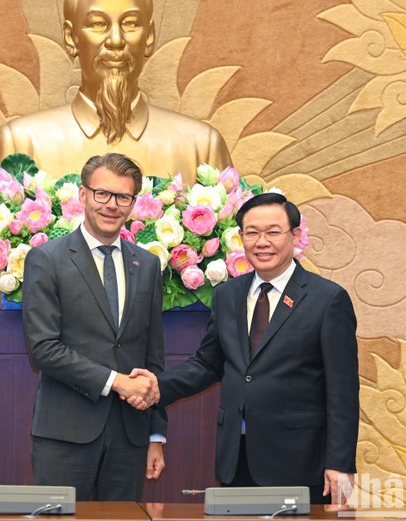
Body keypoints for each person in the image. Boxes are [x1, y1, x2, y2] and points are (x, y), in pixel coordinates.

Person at [149, 192, 359, 505]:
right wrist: (153, 387)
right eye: (252, 233)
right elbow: (208, 365)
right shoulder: (227, 295)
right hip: (237, 455)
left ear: (295, 236)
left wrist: (340, 463)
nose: (262, 242)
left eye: (273, 232)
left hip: (299, 460)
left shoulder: (327, 299)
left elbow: (342, 389)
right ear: (241, 237)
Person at [0, 0, 231, 183]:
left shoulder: (202, 147)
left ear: (149, 37)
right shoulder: (19, 144)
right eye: (98, 24)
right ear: (71, 38)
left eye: (131, 24)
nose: (116, 40)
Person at [22, 152, 167, 501]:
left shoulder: (146, 264)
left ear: (133, 204)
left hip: (130, 437)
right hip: (65, 432)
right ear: (83, 194)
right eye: (102, 194)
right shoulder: (47, 259)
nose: (111, 205)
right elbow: (43, 349)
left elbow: (153, 355)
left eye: (123, 197)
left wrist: (156, 436)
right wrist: (117, 382)